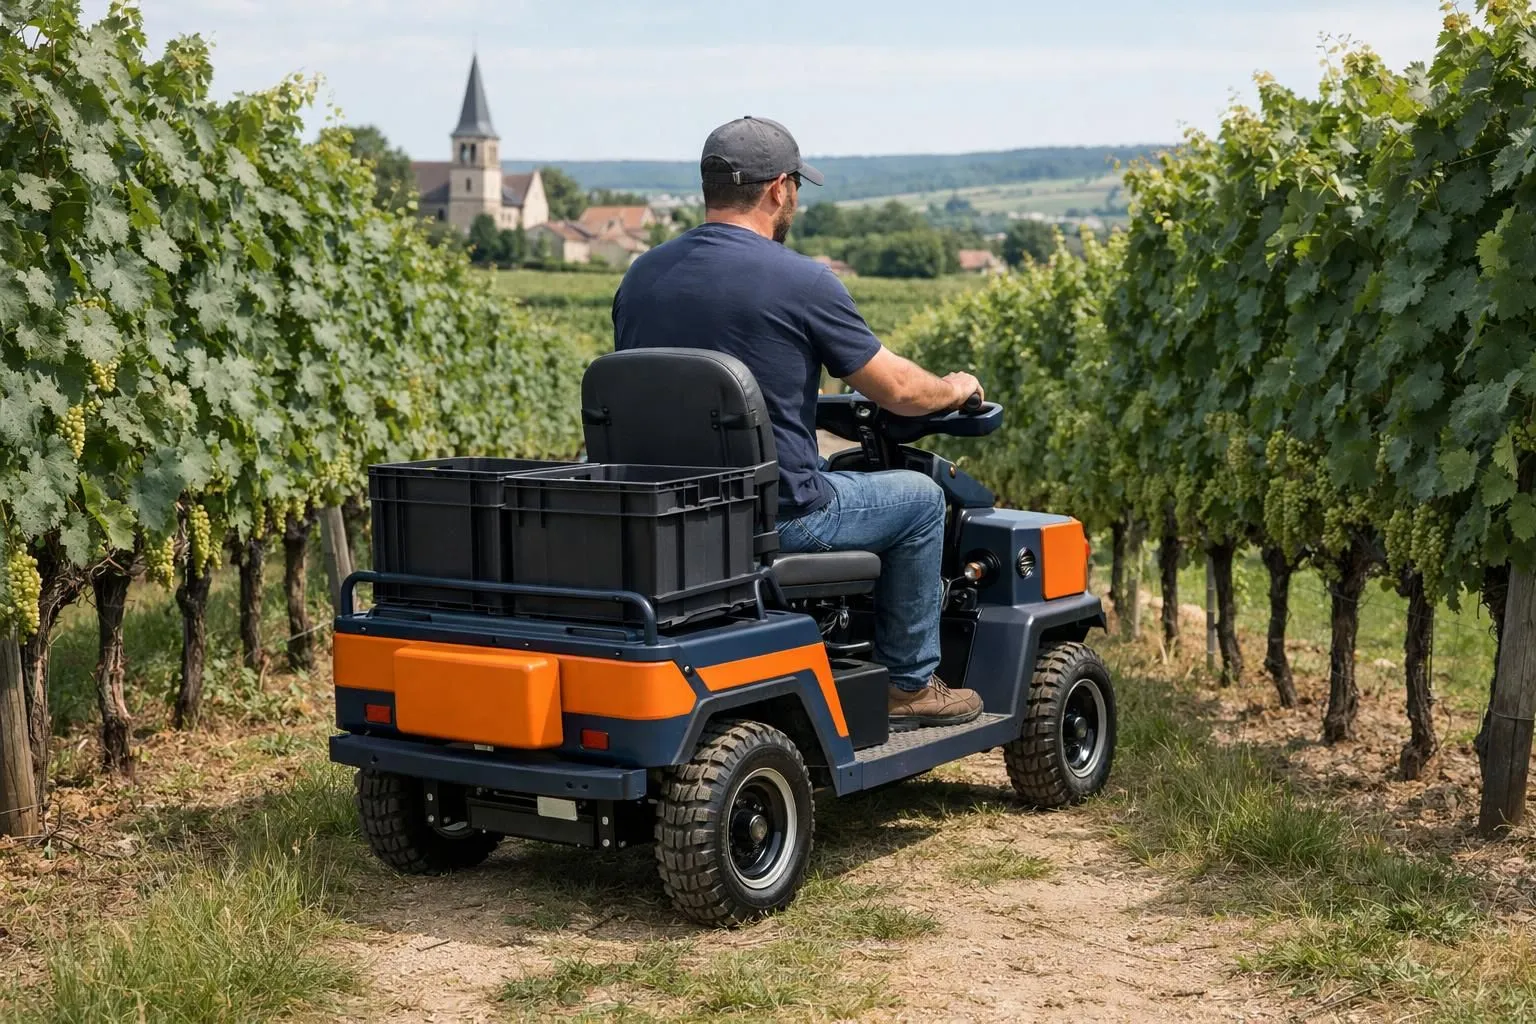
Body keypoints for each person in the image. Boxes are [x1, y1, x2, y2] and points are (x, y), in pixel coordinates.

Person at [611, 116, 984, 730]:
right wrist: (953, 388)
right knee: (920, 498)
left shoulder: (641, 277)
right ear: (778, 188)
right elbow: (895, 389)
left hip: (672, 518)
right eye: (797, 191)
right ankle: (910, 685)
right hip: (778, 520)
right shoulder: (803, 281)